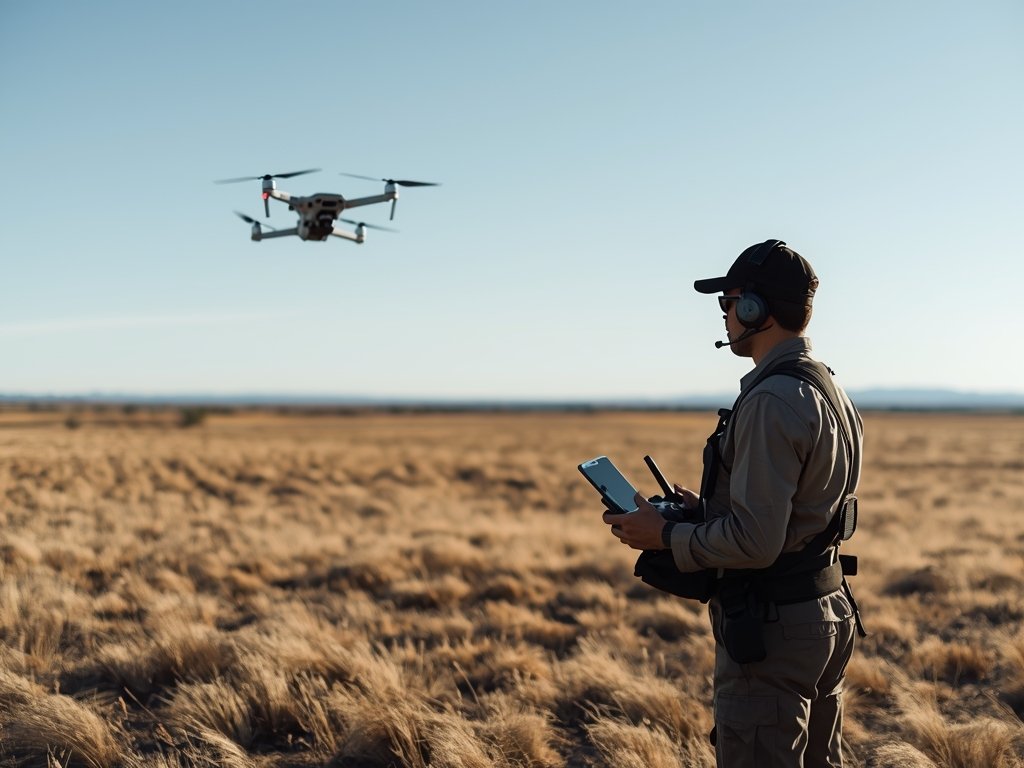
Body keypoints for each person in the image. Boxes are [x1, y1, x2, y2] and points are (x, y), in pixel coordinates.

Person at [603, 239, 864, 767]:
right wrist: (707, 508)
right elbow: (798, 513)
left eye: (731, 302)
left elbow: (757, 542)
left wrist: (666, 536)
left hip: (775, 628)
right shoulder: (824, 386)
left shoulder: (771, 399)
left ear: (755, 310)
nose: (724, 315)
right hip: (823, 611)